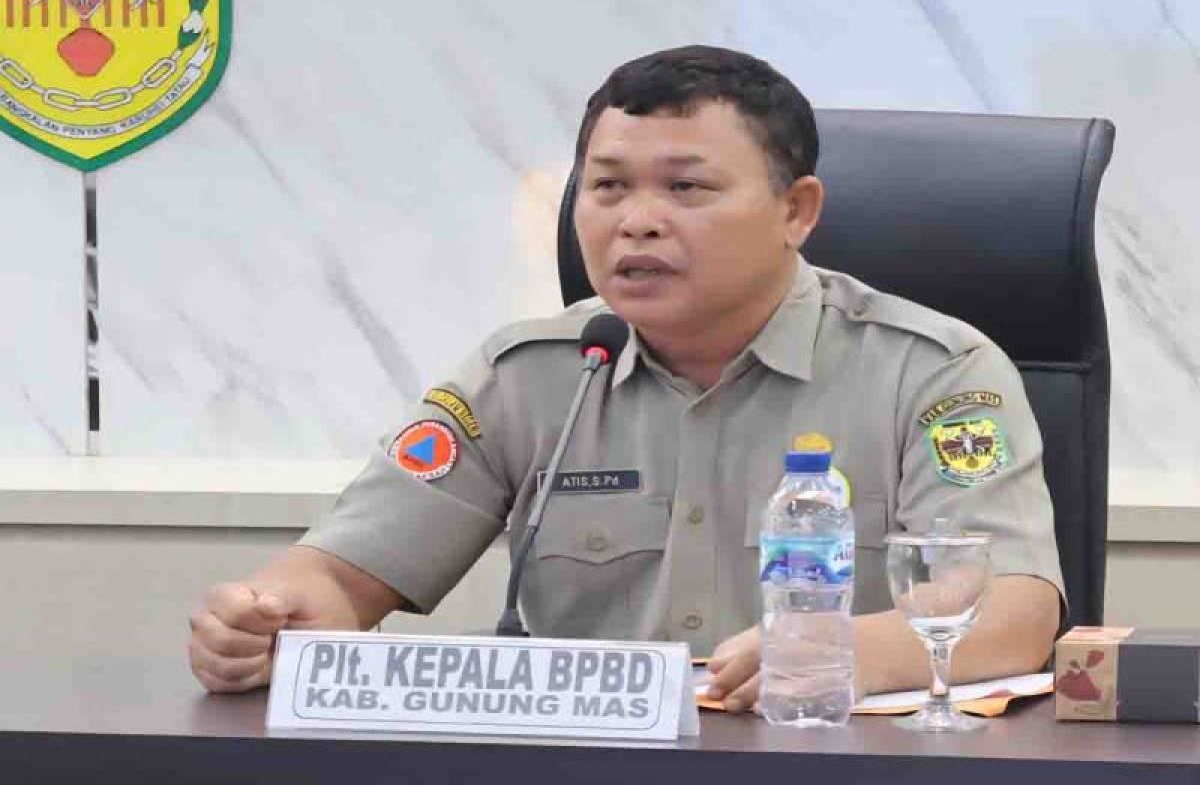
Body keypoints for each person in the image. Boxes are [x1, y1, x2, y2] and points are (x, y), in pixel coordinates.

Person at [188, 45, 1063, 713]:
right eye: (607, 188)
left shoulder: (933, 374)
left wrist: (834, 650)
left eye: (685, 189)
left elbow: (1014, 614)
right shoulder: (530, 375)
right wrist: (266, 619)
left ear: (796, 211)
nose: (637, 222)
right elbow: (341, 576)